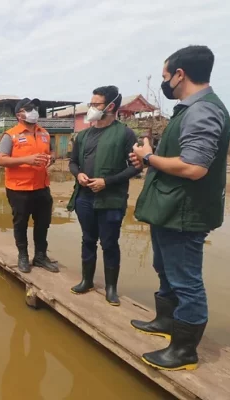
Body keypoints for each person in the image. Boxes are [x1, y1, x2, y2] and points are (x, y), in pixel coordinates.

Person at [130, 45, 230, 371]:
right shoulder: (188, 110)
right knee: (166, 268)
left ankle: (185, 350)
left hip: (185, 213)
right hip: (169, 210)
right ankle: (166, 322)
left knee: (187, 281)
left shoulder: (203, 111)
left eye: (165, 76)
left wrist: (149, 157)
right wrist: (151, 157)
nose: (164, 83)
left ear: (179, 74)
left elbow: (194, 167)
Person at [66, 86, 139, 306]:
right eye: (91, 104)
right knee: (88, 240)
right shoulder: (83, 135)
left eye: (96, 104)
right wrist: (78, 175)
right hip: (84, 199)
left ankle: (110, 288)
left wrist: (107, 182)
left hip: (111, 200)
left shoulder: (125, 134)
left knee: (109, 244)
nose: (91, 108)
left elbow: (135, 167)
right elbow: (73, 162)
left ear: (111, 107)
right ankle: (87, 280)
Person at [0, 98, 58, 274]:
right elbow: (1, 160)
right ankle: (23, 256)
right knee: (21, 224)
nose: (34, 111)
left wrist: (51, 159)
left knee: (43, 224)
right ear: (19, 115)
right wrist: (27, 160)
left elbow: (52, 152)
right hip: (19, 189)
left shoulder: (45, 133)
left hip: (42, 187)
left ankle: (40, 256)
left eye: (35, 108)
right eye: (29, 108)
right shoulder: (11, 135)